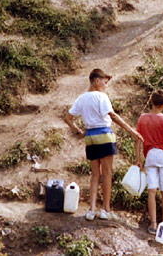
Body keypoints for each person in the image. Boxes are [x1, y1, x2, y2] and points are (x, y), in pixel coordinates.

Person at [64, 69, 143, 221]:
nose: (106, 86)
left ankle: (91, 210)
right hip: (105, 135)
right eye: (105, 82)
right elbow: (112, 116)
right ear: (96, 81)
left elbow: (68, 119)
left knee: (95, 174)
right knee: (107, 174)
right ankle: (106, 209)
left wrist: (79, 131)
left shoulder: (81, 98)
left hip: (90, 137)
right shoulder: (102, 97)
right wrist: (132, 131)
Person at [135, 89, 163, 234]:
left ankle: (153, 223)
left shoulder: (142, 118)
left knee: (152, 190)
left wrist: (138, 159)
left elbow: (138, 140)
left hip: (150, 155)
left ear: (151, 101)